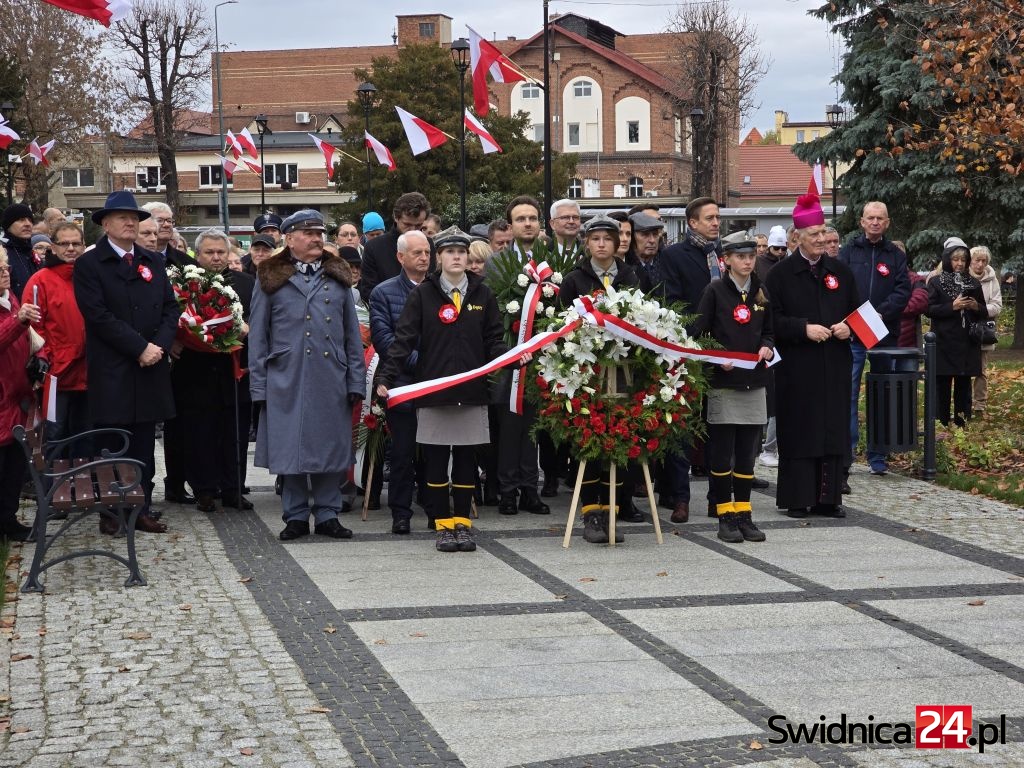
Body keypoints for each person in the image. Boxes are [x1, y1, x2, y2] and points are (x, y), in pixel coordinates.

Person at [376, 227, 514, 552]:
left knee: (466, 460)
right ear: (439, 258)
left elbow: (494, 340)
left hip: (471, 391)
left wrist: (513, 358)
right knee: (436, 461)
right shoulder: (423, 294)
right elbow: (403, 340)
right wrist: (386, 377)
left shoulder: (483, 294)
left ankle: (463, 524)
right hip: (435, 390)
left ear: (468, 258)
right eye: (449, 252)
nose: (456, 257)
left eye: (461, 252)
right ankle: (442, 526)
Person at [249, 209, 366, 541]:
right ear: (289, 239)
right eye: (308, 233)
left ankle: (328, 514)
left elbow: (351, 336)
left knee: (330, 446)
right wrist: (259, 386)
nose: (316, 239)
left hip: (330, 375)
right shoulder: (269, 276)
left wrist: (356, 380)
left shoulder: (337, 276)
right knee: (291, 448)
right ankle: (296, 515)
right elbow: (258, 335)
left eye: (319, 233)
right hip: (286, 375)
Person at [72, 190, 177, 535]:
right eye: (122, 217)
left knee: (145, 443)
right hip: (114, 369)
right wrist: (139, 348)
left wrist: (158, 347)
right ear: (105, 223)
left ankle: (142, 507)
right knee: (112, 443)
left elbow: (169, 309)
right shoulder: (89, 264)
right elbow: (98, 316)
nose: (131, 222)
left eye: (135, 217)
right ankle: (111, 511)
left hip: (150, 367)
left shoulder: (152, 261)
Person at [765, 193, 860, 519]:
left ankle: (828, 499)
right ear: (797, 237)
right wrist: (802, 329)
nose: (822, 239)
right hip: (798, 366)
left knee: (833, 429)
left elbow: (863, 315)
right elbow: (771, 321)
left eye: (824, 233)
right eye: (815, 234)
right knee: (801, 429)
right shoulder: (779, 275)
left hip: (834, 362)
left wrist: (852, 327)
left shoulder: (841, 272)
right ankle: (797, 498)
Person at [557, 215, 643, 542]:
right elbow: (563, 323)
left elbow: (641, 319)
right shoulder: (575, 279)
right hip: (587, 373)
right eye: (596, 239)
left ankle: (612, 513)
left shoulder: (631, 276)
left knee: (617, 441)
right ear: (587, 243)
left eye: (609, 238)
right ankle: (591, 515)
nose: (603, 244)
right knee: (590, 443)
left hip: (623, 372)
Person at [689, 232, 774, 543]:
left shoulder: (761, 291)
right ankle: (725, 514)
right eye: (741, 256)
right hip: (724, 383)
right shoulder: (714, 290)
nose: (748, 261)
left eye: (751, 255)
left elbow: (770, 331)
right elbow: (697, 333)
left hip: (754, 382)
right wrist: (715, 360)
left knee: (747, 454)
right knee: (723, 455)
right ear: (726, 260)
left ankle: (744, 513)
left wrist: (767, 346)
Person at [170, 229, 255, 513]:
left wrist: (246, 331)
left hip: (235, 372)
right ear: (198, 254)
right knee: (199, 433)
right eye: (210, 252)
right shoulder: (184, 284)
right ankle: (204, 489)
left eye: (221, 252)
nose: (217, 258)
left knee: (236, 432)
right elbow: (172, 318)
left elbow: (259, 320)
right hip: (195, 370)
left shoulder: (246, 284)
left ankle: (233, 488)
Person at [486, 195, 550, 515]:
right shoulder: (497, 263)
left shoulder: (549, 260)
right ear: (509, 227)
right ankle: (508, 490)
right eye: (521, 219)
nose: (528, 223)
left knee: (534, 427)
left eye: (533, 218)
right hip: (509, 355)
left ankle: (530, 489)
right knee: (510, 426)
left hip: (541, 357)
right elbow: (491, 309)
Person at [839, 201, 910, 479]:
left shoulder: (895, 255)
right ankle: (847, 452)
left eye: (880, 218)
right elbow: (839, 286)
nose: (875, 222)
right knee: (849, 394)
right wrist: (854, 317)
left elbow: (903, 290)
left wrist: (881, 313)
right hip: (854, 333)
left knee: (882, 394)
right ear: (862, 221)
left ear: (887, 223)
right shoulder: (849, 252)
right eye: (871, 218)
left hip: (883, 332)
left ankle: (878, 456)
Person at [369, 230, 432, 534]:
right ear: (400, 257)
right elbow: (385, 340)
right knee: (403, 452)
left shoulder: (440, 289)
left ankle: (436, 510)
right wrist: (424, 363)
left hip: (437, 384)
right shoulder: (383, 292)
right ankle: (401, 512)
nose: (424, 258)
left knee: (434, 451)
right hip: (403, 382)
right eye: (417, 253)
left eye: (427, 252)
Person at [22, 222, 89, 458]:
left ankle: (82, 488)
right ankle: (50, 490)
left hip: (89, 372)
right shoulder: (41, 281)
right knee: (54, 434)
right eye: (64, 243)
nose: (70, 248)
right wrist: (47, 361)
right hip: (56, 374)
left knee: (85, 435)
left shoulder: (91, 277)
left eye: (76, 243)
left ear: (84, 245)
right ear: (53, 247)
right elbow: (33, 329)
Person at [0, 246, 39, 540]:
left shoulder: (9, 297)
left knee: (15, 466)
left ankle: (8, 520)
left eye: (6, 267)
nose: (5, 273)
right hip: (1, 397)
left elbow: (26, 337)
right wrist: (18, 320)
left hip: (17, 395)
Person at [926, 244, 985, 427]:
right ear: (947, 261)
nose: (959, 263)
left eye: (963, 260)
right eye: (955, 259)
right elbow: (928, 309)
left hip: (966, 341)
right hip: (943, 340)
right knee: (942, 383)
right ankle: (941, 423)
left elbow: (983, 311)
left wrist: (976, 307)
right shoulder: (936, 282)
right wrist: (952, 306)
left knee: (964, 383)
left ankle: (962, 422)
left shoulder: (973, 283)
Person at [359, 193, 432, 303]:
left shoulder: (428, 244)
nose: (412, 230)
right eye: (407, 224)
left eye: (418, 226)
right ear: (396, 217)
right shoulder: (374, 247)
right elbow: (368, 291)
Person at [968, 245, 1002, 416]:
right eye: (977, 260)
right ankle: (964, 404)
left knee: (981, 370)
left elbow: (997, 305)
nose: (980, 264)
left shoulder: (992, 279)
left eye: (984, 261)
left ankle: (979, 405)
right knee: (964, 368)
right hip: (964, 329)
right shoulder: (962, 276)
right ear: (971, 261)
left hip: (983, 329)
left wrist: (979, 308)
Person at [2, 204, 38, 300]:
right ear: (8, 225)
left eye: (30, 220)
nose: (28, 224)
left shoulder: (32, 253)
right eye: (21, 220)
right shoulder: (3, 254)